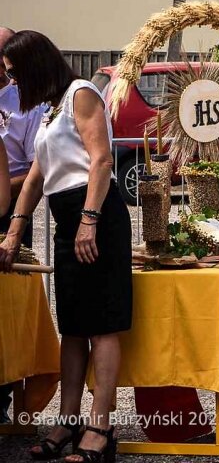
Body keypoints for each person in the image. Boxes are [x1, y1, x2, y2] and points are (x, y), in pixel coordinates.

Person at [0, 31, 132, 462]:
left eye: (16, 74)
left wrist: (89, 221)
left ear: (37, 65)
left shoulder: (81, 93)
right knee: (73, 325)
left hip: (94, 213)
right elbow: (37, 176)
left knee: (101, 323)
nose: (13, 83)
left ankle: (101, 427)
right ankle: (67, 422)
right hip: (65, 216)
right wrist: (14, 232)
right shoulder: (50, 109)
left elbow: (101, 159)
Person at [0, 26, 46, 425]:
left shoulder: (26, 101)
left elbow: (36, 168)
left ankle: (6, 400)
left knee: (11, 309)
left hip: (12, 208)